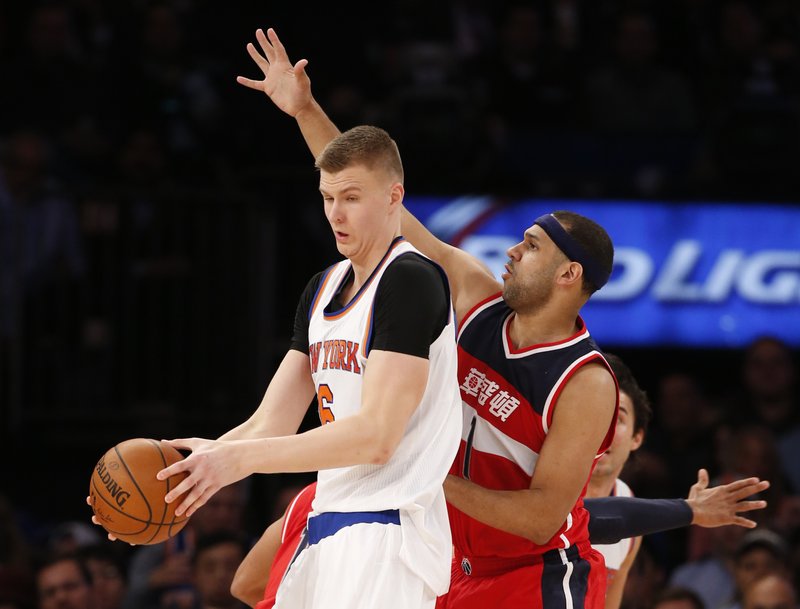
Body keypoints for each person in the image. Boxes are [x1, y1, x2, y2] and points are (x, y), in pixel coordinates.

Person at [230, 27, 770, 609]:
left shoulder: (584, 382)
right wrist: (304, 110)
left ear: (570, 277)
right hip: (446, 554)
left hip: (533, 573)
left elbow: (541, 518)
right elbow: (385, 207)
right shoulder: (476, 297)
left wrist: (425, 472)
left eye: (533, 246)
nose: (513, 250)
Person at [155, 124, 463, 609]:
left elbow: (377, 437)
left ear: (393, 197)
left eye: (352, 198)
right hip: (327, 520)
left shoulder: (411, 280)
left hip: (387, 530)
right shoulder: (322, 287)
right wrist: (196, 465)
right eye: (327, 198)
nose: (335, 215)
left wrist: (237, 461)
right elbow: (268, 422)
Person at [586, 353, 651, 609]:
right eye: (596, 414)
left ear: (637, 438)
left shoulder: (631, 514)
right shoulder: (537, 485)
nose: (605, 428)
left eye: (619, 418)